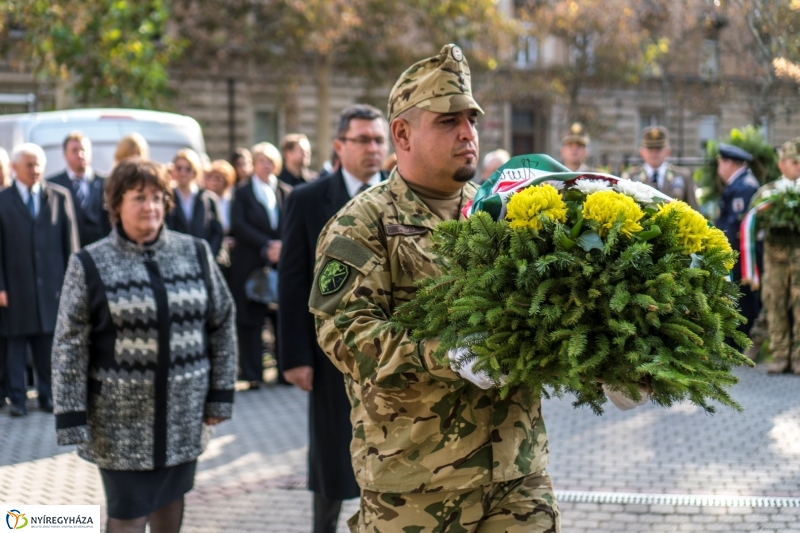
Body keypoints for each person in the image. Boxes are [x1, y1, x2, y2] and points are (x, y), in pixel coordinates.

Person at [309, 44, 561, 532]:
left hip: (517, 470)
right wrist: (447, 352)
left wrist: (609, 361)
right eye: (448, 121)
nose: (468, 133)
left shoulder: (501, 212)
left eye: (471, 119)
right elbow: (345, 335)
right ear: (402, 133)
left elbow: (545, 310)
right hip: (417, 485)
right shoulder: (362, 224)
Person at [52, 158, 236, 533]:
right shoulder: (89, 262)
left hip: (184, 413)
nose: (150, 206)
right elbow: (69, 345)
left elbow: (221, 323)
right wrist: (71, 414)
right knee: (128, 514)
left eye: (157, 197)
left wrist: (220, 395)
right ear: (116, 204)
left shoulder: (195, 252)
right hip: (119, 421)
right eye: (139, 197)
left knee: (171, 504)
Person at [279, 103, 389, 533]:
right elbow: (293, 282)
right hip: (332, 356)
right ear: (339, 146)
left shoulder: (402, 196)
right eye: (363, 140)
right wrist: (294, 357)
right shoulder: (308, 200)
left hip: (391, 354)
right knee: (331, 458)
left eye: (379, 140)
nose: (373, 148)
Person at [0, 143, 79, 417]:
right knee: (16, 349)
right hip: (16, 287)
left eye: (38, 165)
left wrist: (73, 283)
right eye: (29, 165)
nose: (34, 170)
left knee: (47, 348)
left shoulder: (59, 197)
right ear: (14, 168)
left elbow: (71, 245)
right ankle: (17, 399)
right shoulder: (2, 200)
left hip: (51, 289)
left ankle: (48, 396)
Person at [229, 142, 291, 389]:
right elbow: (239, 224)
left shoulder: (285, 191)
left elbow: (291, 223)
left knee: (281, 318)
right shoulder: (243, 192)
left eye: (270, 161)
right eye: (262, 161)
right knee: (252, 320)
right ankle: (253, 373)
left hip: (280, 262)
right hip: (251, 262)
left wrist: (281, 246)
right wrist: (266, 244)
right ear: (254, 164)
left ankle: (285, 372)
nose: (267, 165)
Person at [748, 139, 800, 373]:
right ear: (781, 164)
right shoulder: (768, 192)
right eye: (794, 162)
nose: (798, 167)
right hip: (776, 259)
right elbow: (752, 221)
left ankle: (798, 357)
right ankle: (780, 354)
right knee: (775, 304)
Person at [716, 143, 761, 335]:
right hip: (738, 251)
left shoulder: (743, 187)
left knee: (743, 297)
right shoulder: (739, 184)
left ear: (729, 164)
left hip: (741, 252)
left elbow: (735, 226)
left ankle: (742, 337)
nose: (718, 169)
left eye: (720, 163)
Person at [47, 132, 112, 247]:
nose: (80, 154)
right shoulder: (53, 185)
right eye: (74, 150)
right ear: (65, 155)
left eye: (83, 150)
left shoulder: (105, 182)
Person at [622, 126, 700, 210]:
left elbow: (694, 210)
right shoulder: (630, 178)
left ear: (667, 151)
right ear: (641, 152)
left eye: (658, 149)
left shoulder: (682, 176)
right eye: (650, 149)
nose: (654, 153)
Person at [165, 149, 224, 257]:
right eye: (179, 168)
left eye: (188, 169)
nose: (183, 173)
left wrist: (208, 256)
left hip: (203, 256)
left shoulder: (208, 199)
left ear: (195, 171)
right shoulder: (167, 197)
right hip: (176, 256)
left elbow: (217, 232)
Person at [203, 160, 236, 234]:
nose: (213, 182)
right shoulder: (204, 199)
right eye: (210, 177)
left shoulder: (234, 200)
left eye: (218, 178)